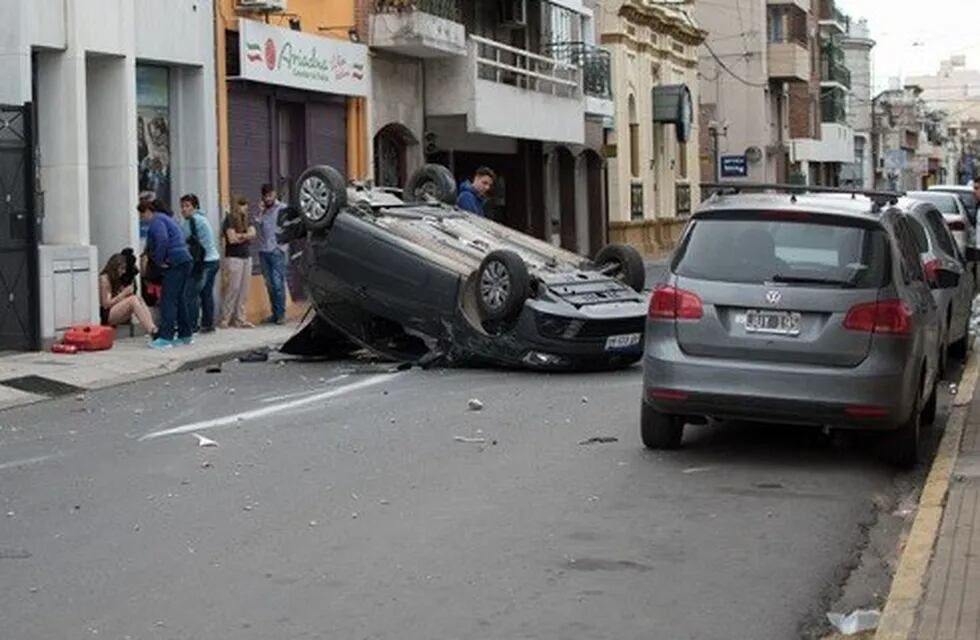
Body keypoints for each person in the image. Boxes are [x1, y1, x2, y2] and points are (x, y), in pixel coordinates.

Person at [139, 201, 193, 349]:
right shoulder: (168, 219)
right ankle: (185, 334)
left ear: (149, 211)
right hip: (185, 259)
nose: (142, 218)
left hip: (173, 262)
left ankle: (166, 337)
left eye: (142, 214)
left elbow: (162, 239)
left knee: (167, 299)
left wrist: (160, 260)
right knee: (179, 299)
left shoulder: (157, 221)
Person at [179, 194, 220, 333]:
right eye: (182, 206)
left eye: (187, 206)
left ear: (195, 207)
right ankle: (208, 324)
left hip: (203, 263)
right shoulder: (203, 218)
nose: (184, 210)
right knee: (206, 293)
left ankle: (191, 325)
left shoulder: (192, 221)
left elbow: (181, 240)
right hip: (213, 260)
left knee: (190, 293)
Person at [99, 252, 157, 336]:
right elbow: (106, 304)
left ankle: (153, 327)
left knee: (138, 298)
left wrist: (125, 294)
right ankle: (152, 331)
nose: (123, 271)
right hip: (107, 315)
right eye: (122, 268)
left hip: (115, 310)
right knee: (133, 300)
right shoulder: (104, 279)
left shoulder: (116, 278)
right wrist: (123, 294)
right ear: (115, 267)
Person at [220, 197, 257, 329]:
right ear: (235, 206)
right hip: (233, 257)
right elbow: (232, 239)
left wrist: (241, 235)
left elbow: (253, 234)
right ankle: (225, 318)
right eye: (241, 205)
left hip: (247, 257)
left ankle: (240, 319)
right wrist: (245, 236)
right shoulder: (229, 219)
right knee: (232, 288)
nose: (244, 208)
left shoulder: (247, 219)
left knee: (244, 289)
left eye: (245, 205)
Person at [256, 183, 288, 325]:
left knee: (277, 283)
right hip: (264, 251)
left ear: (274, 194)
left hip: (277, 251)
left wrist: (282, 247)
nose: (268, 199)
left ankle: (281, 315)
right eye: (265, 196)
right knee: (269, 284)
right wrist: (261, 212)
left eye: (270, 195)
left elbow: (290, 228)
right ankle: (274, 314)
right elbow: (257, 227)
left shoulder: (283, 208)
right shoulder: (263, 211)